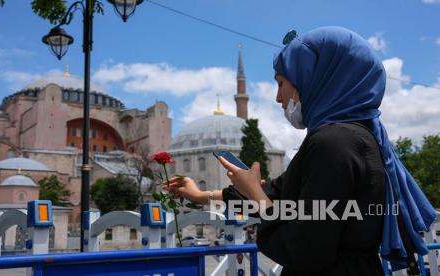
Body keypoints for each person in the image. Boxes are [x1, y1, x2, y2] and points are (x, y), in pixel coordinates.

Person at [165, 26, 437, 275]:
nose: (278, 97)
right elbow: (283, 195)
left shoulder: (332, 144)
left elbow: (306, 248)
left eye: (281, 83)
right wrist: (201, 196)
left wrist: (258, 198)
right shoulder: (360, 137)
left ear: (314, 78)